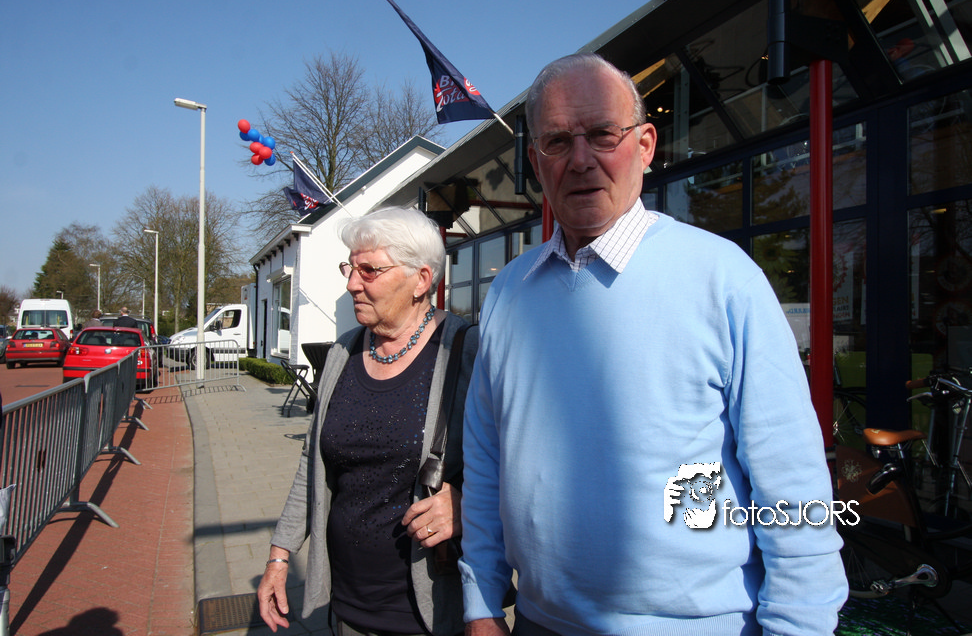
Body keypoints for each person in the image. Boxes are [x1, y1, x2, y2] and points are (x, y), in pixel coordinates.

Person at [459, 54, 847, 636]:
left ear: (644, 146)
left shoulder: (722, 278)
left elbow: (792, 483)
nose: (581, 159)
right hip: (538, 622)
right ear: (537, 162)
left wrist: (799, 626)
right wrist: (482, 602)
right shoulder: (510, 292)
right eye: (558, 141)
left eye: (603, 134)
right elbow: (487, 459)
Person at [258, 207, 478, 636]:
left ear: (421, 279)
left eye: (369, 271)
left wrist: (468, 504)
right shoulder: (343, 352)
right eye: (350, 268)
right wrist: (279, 556)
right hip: (347, 602)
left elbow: (519, 464)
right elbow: (311, 463)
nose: (352, 284)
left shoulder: (466, 351)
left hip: (429, 610)